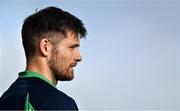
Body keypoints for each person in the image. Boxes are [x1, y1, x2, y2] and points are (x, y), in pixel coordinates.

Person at [0, 6, 87, 110]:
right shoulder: (59, 104)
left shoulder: (5, 100)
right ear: (45, 47)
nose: (79, 57)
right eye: (72, 47)